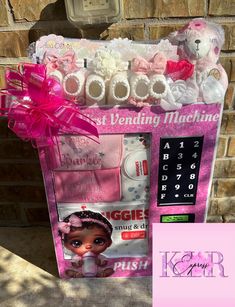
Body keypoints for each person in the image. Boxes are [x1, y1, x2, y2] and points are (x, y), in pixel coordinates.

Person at [58, 210, 114, 278]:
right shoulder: (77, 257)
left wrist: (100, 262)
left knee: (110, 269)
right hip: (81, 270)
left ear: (109, 242)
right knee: (68, 271)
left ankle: (102, 273)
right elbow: (74, 263)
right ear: (66, 245)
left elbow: (104, 262)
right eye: (77, 243)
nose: (88, 246)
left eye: (98, 241)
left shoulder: (99, 256)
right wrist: (78, 263)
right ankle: (76, 274)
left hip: (98, 270)